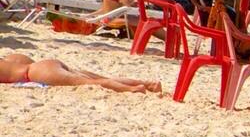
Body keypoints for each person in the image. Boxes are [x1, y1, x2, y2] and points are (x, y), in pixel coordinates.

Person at [2, 53, 160, 92]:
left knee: (93, 83)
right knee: (101, 78)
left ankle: (133, 90)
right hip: (43, 64)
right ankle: (148, 84)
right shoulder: (6, 59)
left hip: (35, 72)